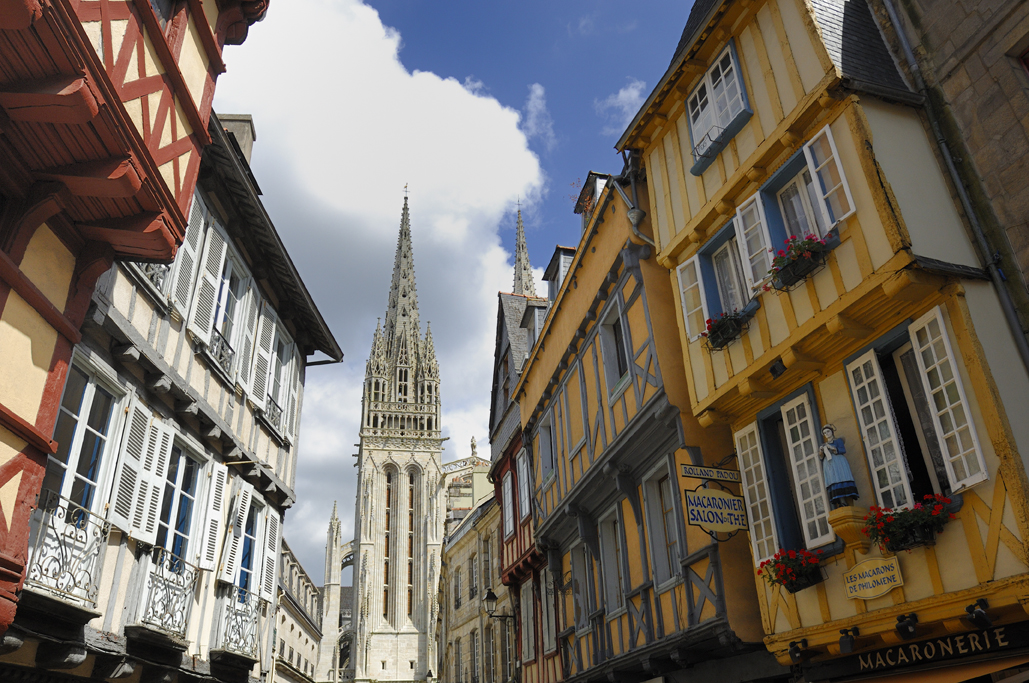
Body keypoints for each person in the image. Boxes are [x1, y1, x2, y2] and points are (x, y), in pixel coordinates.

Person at [820, 424, 858, 508]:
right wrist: (821, 451)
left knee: (842, 477)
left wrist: (832, 448)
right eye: (825, 433)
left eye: (828, 431)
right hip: (829, 465)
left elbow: (842, 450)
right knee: (834, 481)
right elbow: (821, 457)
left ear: (832, 432)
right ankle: (842, 502)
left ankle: (848, 500)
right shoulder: (824, 445)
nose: (827, 434)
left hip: (839, 462)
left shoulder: (838, 441)